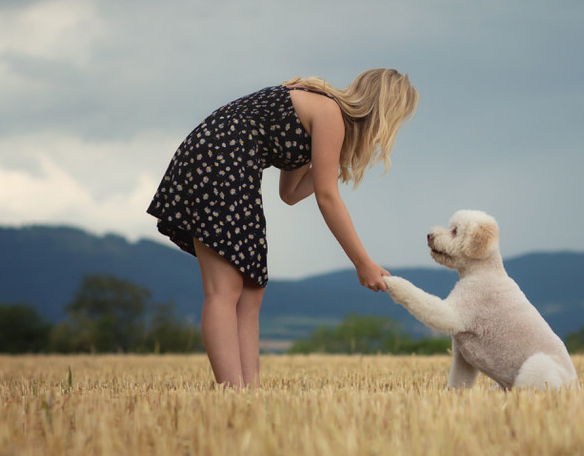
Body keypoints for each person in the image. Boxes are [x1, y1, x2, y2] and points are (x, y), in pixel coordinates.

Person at [147, 68, 419, 389]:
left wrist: (329, 163)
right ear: (385, 112)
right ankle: (231, 392)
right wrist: (363, 263)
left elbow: (290, 193)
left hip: (220, 161)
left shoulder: (319, 112)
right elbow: (327, 198)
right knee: (225, 289)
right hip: (219, 162)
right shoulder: (329, 111)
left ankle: (250, 390)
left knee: (251, 289)